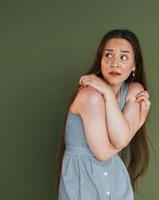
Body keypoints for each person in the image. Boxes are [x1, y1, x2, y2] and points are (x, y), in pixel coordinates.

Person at [55, 29, 152, 200]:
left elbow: (121, 138)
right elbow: (103, 154)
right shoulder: (89, 97)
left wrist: (108, 94)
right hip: (83, 185)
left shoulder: (133, 90)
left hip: (116, 183)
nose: (114, 63)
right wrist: (137, 123)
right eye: (108, 55)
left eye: (123, 57)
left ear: (134, 65)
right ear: (100, 60)